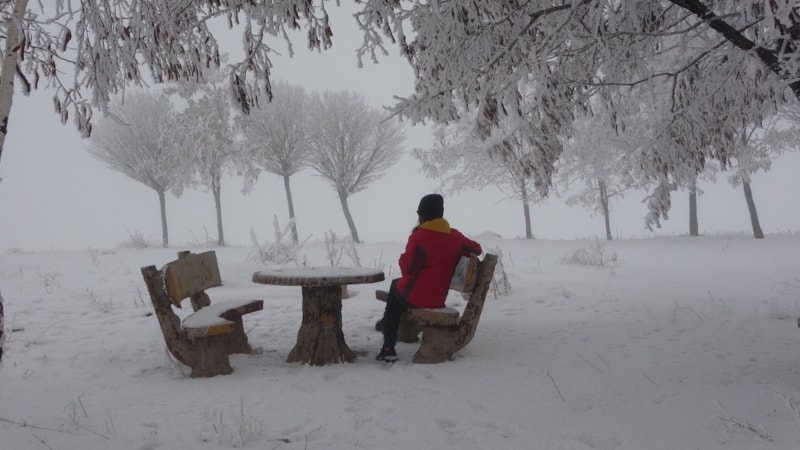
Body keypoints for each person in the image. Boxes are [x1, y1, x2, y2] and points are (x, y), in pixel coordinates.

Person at [375, 194, 483, 362]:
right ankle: (387, 324)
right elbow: (477, 249)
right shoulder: (454, 237)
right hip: (437, 298)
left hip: (414, 296)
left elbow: (406, 268)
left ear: (422, 215)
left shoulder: (419, 237)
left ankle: (388, 347)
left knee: (396, 291)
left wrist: (403, 258)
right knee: (397, 287)